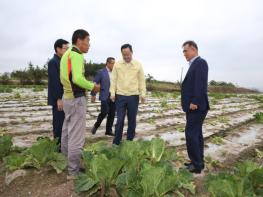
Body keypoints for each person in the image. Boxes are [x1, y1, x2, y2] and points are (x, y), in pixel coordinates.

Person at [60, 29, 100, 178]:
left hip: (67, 98)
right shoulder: (76, 54)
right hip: (76, 99)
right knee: (76, 137)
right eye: (88, 40)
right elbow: (77, 78)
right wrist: (93, 86)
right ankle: (73, 171)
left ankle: (66, 163)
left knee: (67, 132)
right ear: (79, 40)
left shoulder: (66, 54)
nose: (89, 44)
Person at [181, 41, 210, 173]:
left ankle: (197, 164)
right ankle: (198, 162)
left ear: (193, 49)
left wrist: (195, 101)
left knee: (191, 134)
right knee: (196, 134)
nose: (184, 54)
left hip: (196, 106)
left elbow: (201, 85)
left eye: (185, 51)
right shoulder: (194, 64)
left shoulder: (200, 63)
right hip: (194, 106)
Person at [110, 44, 146, 145]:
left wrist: (143, 93)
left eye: (128, 54)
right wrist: (112, 93)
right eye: (124, 55)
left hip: (133, 96)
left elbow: (141, 80)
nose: (126, 57)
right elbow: (113, 80)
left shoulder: (138, 65)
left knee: (132, 120)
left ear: (131, 52)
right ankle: (116, 142)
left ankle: (129, 142)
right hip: (120, 95)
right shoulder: (117, 64)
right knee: (120, 119)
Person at [47, 39, 69, 149]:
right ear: (58, 49)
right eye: (65, 48)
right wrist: (59, 99)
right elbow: (55, 82)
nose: (67, 50)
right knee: (58, 123)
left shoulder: (63, 61)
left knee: (65, 122)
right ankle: (58, 148)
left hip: (65, 97)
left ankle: (63, 146)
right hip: (58, 99)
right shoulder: (53, 62)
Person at [90, 57, 116, 136]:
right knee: (104, 112)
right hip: (104, 95)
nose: (114, 65)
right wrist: (93, 94)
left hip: (113, 96)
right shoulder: (101, 72)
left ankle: (108, 131)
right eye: (112, 63)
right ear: (108, 63)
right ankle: (96, 125)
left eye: (115, 63)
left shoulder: (115, 72)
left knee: (112, 113)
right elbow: (95, 83)